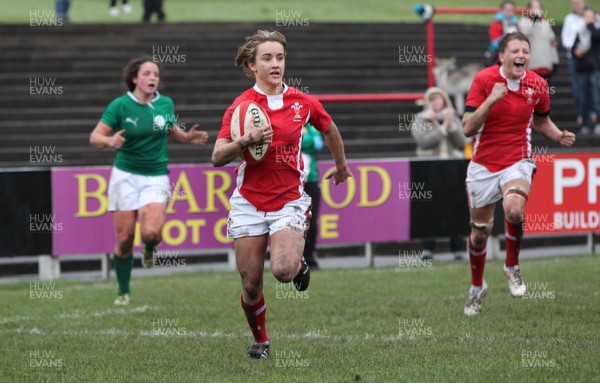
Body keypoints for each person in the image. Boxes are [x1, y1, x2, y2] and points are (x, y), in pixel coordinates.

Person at [211, 30, 351, 359]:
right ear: (251, 65)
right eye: (267, 58)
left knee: (284, 271)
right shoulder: (241, 107)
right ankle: (260, 339)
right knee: (250, 285)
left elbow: (329, 128)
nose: (276, 64)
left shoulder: (303, 103)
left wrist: (341, 165)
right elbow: (217, 157)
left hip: (288, 198)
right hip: (248, 202)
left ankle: (299, 261)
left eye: (280, 57)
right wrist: (246, 140)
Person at [461, 32, 575, 316]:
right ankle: (477, 287)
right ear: (502, 56)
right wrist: (492, 100)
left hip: (517, 160)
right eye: (515, 50)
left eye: (525, 50)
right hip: (483, 165)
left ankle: (512, 266)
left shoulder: (537, 84)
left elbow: (542, 121)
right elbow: (467, 128)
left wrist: (558, 135)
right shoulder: (485, 80)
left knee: (513, 209)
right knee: (480, 233)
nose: (521, 55)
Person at [90, 56, 209, 305]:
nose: (152, 78)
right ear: (135, 78)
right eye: (147, 73)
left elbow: (170, 131)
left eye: (155, 74)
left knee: (152, 232)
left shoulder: (165, 103)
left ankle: (149, 249)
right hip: (125, 176)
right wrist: (109, 141)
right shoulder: (120, 106)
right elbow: (95, 137)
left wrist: (187, 138)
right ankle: (123, 291)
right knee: (124, 240)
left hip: (155, 175)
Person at [410, 87, 467, 260]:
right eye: (433, 100)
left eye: (439, 99)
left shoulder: (453, 117)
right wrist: (441, 129)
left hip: (451, 167)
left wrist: (451, 127)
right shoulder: (420, 119)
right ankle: (428, 248)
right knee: (428, 208)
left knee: (455, 208)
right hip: (429, 168)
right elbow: (423, 142)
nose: (436, 103)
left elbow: (462, 142)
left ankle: (458, 248)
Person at [562, 0, 597, 135]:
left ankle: (594, 116)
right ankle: (582, 117)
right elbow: (566, 39)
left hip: (593, 62)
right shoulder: (569, 19)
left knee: (593, 91)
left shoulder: (594, 17)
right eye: (575, 3)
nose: (577, 5)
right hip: (576, 60)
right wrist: (575, 51)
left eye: (579, 2)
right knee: (579, 90)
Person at [572, 9, 600, 136]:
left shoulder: (596, 31)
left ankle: (597, 123)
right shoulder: (579, 33)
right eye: (586, 17)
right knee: (582, 97)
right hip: (582, 70)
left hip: (594, 69)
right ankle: (585, 124)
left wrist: (591, 25)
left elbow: (596, 37)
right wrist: (576, 53)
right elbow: (573, 49)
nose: (588, 19)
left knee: (595, 97)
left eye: (590, 16)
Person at [518, 0, 559, 83]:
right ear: (528, 9)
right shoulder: (523, 22)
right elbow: (524, 35)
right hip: (531, 65)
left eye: (538, 7)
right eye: (534, 7)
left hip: (546, 64)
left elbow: (552, 42)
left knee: (545, 93)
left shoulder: (546, 24)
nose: (536, 9)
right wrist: (534, 21)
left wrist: (555, 60)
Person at [301, 123, 324, 269]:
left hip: (311, 180)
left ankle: (309, 257)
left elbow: (318, 144)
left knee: (311, 220)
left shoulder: (310, 127)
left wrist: (302, 139)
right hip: (290, 182)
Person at [486, 1, 519, 66]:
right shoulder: (496, 24)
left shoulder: (517, 24)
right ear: (502, 10)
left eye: (511, 10)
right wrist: (506, 36)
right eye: (507, 10)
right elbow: (494, 44)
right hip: (498, 58)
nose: (509, 12)